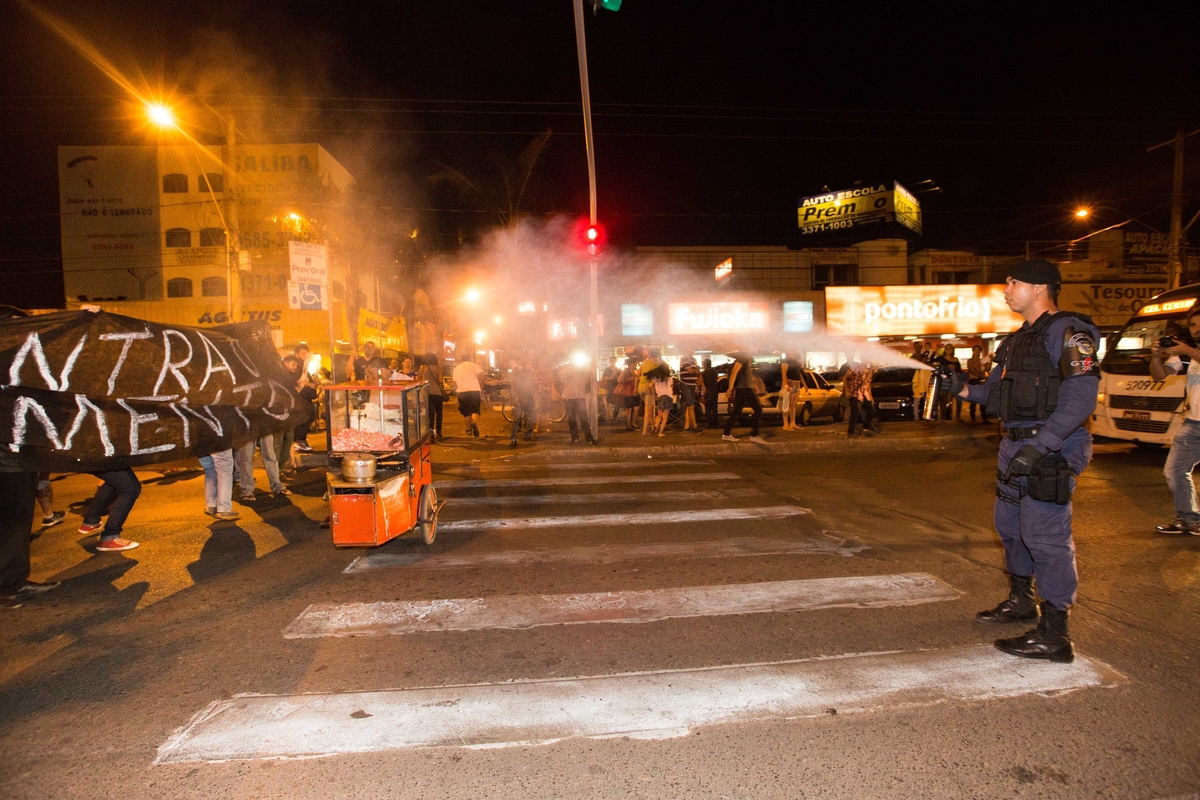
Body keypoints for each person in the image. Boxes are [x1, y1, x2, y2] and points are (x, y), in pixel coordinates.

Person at [953, 260, 1099, 663]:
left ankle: (1055, 635)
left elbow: (1082, 395)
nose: (1005, 288)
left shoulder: (1069, 331)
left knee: (1045, 537)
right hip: (1014, 445)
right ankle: (1021, 602)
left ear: (1040, 288)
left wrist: (1044, 445)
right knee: (1011, 528)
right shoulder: (1017, 341)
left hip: (1052, 447)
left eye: (1013, 281)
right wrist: (963, 389)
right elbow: (995, 395)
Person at [1149, 307, 1200, 535]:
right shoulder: (1187, 354)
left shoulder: (1190, 351)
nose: (1197, 329)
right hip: (1193, 424)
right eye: (1193, 325)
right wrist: (1156, 357)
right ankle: (1190, 520)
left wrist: (1188, 349)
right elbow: (1160, 376)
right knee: (1175, 470)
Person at [77, 469, 142, 552]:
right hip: (99, 460)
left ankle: (91, 520)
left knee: (115, 482)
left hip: (96, 460)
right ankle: (110, 536)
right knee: (132, 488)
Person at [722, 353, 764, 443]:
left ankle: (726, 434)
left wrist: (754, 385)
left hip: (744, 387)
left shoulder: (746, 357)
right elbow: (734, 372)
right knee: (758, 409)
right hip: (744, 388)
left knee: (737, 411)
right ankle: (754, 435)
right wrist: (730, 388)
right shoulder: (743, 356)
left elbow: (746, 374)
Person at [235, 434, 289, 501]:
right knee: (246, 458)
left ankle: (277, 486)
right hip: (248, 427)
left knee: (270, 455)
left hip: (264, 426)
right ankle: (247, 491)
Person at [561, 360, 597, 445]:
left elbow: (591, 377)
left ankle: (588, 438)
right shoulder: (566, 369)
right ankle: (574, 437)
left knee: (583, 418)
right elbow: (562, 378)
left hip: (580, 396)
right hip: (569, 397)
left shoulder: (583, 369)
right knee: (572, 419)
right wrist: (571, 369)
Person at [199, 448, 239, 521]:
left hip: (200, 443)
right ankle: (224, 508)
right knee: (224, 470)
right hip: (218, 442)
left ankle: (211, 505)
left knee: (210, 470)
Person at [453, 353, 486, 438]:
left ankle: (468, 429)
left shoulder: (457, 368)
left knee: (466, 412)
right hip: (474, 390)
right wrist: (481, 384)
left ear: (461, 360)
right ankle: (474, 423)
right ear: (469, 359)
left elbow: (454, 382)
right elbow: (481, 375)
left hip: (462, 392)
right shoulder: (475, 365)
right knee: (475, 410)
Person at [508, 358, 539, 447]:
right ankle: (514, 439)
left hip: (528, 398)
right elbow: (513, 385)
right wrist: (516, 397)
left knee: (530, 416)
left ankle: (526, 435)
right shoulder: (516, 372)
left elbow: (533, 385)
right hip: (521, 397)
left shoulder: (529, 372)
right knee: (518, 419)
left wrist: (534, 395)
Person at [843, 361, 878, 437]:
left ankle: (866, 425)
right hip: (855, 394)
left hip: (864, 394)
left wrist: (870, 397)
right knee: (854, 412)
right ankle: (851, 432)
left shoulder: (869, 371)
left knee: (871, 410)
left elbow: (868, 385)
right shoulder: (856, 368)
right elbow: (845, 377)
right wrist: (847, 390)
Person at [638, 348, 664, 436]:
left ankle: (653, 427)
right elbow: (655, 378)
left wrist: (635, 388)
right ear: (657, 355)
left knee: (651, 408)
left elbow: (638, 375)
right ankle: (644, 431)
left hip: (640, 387)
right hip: (648, 388)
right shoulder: (655, 365)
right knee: (648, 410)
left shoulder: (643, 362)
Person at [421, 356, 446, 441]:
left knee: (430, 415)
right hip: (438, 393)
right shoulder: (438, 368)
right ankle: (439, 432)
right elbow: (441, 381)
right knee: (439, 414)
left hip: (428, 393)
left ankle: (431, 434)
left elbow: (419, 379)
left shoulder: (423, 368)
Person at [966, 344, 991, 423]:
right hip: (974, 380)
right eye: (975, 350)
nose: (977, 352)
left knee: (983, 399)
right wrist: (980, 376)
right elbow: (971, 369)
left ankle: (984, 417)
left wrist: (989, 361)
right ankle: (972, 417)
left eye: (978, 350)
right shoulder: (970, 361)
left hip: (982, 381)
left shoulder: (982, 361)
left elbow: (987, 369)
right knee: (973, 399)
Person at [615, 356, 640, 430]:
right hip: (627, 392)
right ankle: (628, 425)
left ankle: (633, 423)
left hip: (635, 391)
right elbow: (619, 380)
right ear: (631, 363)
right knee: (629, 409)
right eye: (635, 363)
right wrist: (630, 379)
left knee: (636, 408)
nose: (636, 365)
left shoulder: (635, 371)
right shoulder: (626, 371)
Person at [678, 356, 701, 432]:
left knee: (689, 405)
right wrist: (696, 369)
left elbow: (695, 370)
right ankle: (695, 425)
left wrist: (694, 369)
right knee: (691, 405)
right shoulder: (684, 359)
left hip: (692, 384)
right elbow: (691, 371)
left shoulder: (694, 359)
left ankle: (687, 425)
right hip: (686, 384)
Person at [780, 357, 803, 430]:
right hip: (790, 382)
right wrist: (785, 383)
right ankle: (785, 424)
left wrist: (804, 384)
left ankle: (793, 423)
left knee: (794, 404)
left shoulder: (796, 360)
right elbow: (783, 372)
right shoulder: (786, 360)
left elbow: (799, 373)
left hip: (797, 383)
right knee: (787, 404)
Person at [701, 357, 720, 430]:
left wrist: (703, 394)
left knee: (708, 409)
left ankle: (710, 424)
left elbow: (703, 384)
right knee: (714, 409)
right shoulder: (714, 372)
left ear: (705, 365)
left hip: (708, 392)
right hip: (715, 391)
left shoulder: (704, 373)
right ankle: (716, 424)